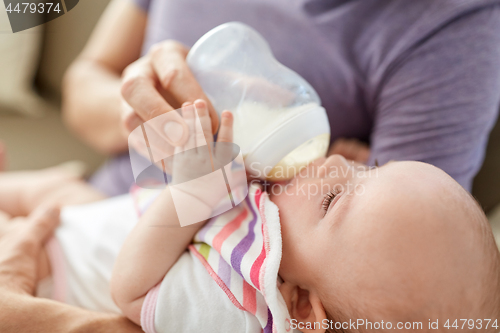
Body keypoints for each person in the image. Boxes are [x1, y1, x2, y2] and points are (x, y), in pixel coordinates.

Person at [1, 101, 499, 332]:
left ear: (301, 305)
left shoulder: (231, 309)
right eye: (370, 168)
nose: (332, 166)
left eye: (333, 198)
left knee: (47, 202)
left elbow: (128, 288)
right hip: (104, 215)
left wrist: (194, 195)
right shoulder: (300, 255)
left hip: (53, 268)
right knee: (61, 190)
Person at [62, 0, 500, 196]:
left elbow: (389, 278)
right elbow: (84, 81)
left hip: (215, 274)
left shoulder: (451, 27)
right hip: (96, 204)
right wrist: (142, 111)